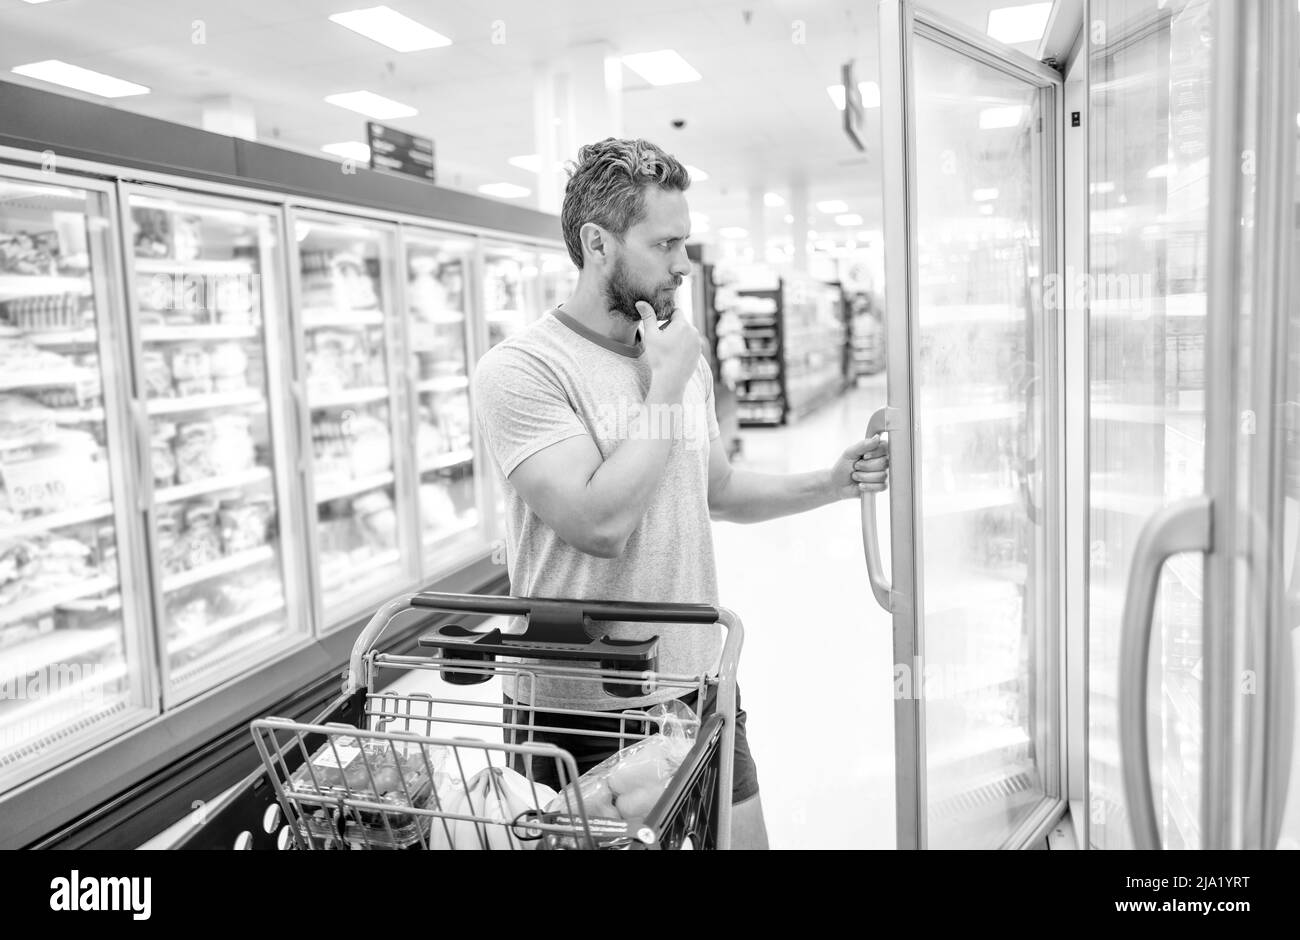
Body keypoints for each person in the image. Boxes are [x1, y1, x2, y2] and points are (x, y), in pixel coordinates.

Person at [472, 137, 890, 849]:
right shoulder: (522, 371)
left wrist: (831, 482)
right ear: (596, 243)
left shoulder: (680, 358)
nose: (682, 265)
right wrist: (664, 386)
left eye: (685, 242)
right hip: (578, 708)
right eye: (664, 244)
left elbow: (717, 490)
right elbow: (598, 523)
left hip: (697, 681)